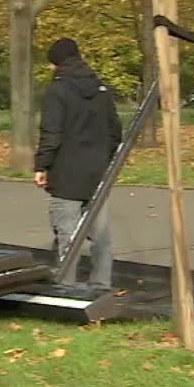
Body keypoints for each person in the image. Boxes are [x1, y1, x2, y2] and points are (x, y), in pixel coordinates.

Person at [33, 38, 123, 291]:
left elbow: (51, 133)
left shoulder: (57, 92)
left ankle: (66, 284)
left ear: (57, 63)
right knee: (101, 235)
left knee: (67, 233)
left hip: (66, 171)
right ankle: (101, 283)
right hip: (97, 171)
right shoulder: (101, 89)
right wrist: (104, 158)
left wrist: (42, 166)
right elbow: (115, 131)